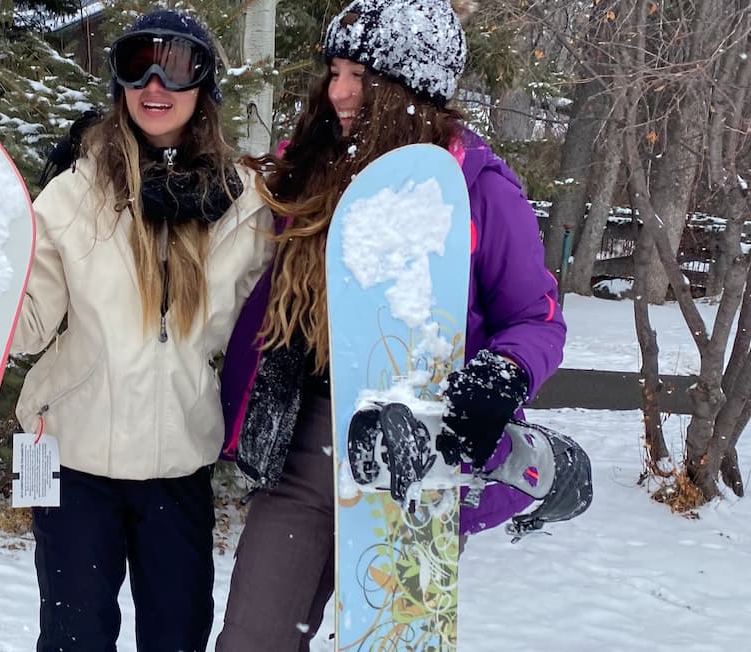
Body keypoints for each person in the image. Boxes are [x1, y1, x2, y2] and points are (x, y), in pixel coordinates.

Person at [0, 9, 272, 651]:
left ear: (205, 87)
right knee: (74, 639)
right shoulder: (73, 195)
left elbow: (270, 322)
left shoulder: (245, 207)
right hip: (74, 462)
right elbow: (21, 323)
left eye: (175, 67)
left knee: (179, 638)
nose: (154, 85)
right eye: (136, 65)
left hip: (179, 468)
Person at [214, 0, 570, 649]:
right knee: (253, 639)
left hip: (414, 457)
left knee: (392, 639)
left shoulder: (480, 189)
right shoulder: (302, 174)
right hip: (303, 443)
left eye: (360, 78)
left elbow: (537, 318)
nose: (338, 91)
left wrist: (505, 372)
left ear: (410, 91)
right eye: (335, 72)